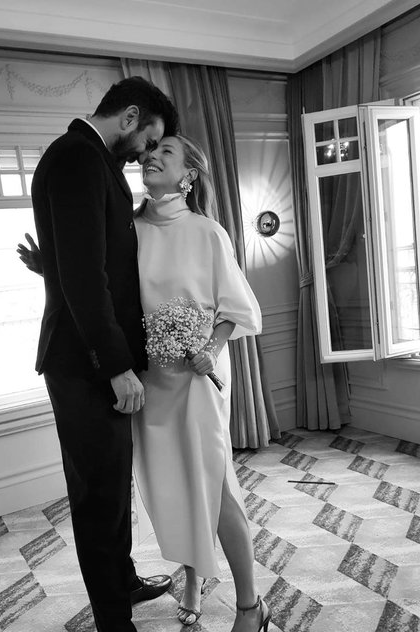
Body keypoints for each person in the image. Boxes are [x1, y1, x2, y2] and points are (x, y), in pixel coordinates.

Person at [20, 133, 271, 632]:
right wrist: (50, 267)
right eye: (150, 151)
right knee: (172, 491)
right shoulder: (127, 231)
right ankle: (193, 579)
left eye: (166, 152)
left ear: (189, 174)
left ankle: (250, 605)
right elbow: (94, 282)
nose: (151, 156)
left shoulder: (207, 233)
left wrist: (210, 348)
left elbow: (237, 310)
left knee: (216, 487)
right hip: (146, 384)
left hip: (196, 382)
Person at [28, 76, 179, 632]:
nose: (144, 153)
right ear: (130, 116)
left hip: (89, 358)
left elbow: (87, 260)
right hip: (85, 365)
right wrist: (115, 366)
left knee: (114, 488)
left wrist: (48, 266)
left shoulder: (90, 159)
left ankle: (124, 581)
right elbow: (86, 278)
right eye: (148, 139)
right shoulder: (78, 157)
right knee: (97, 496)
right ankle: (114, 621)